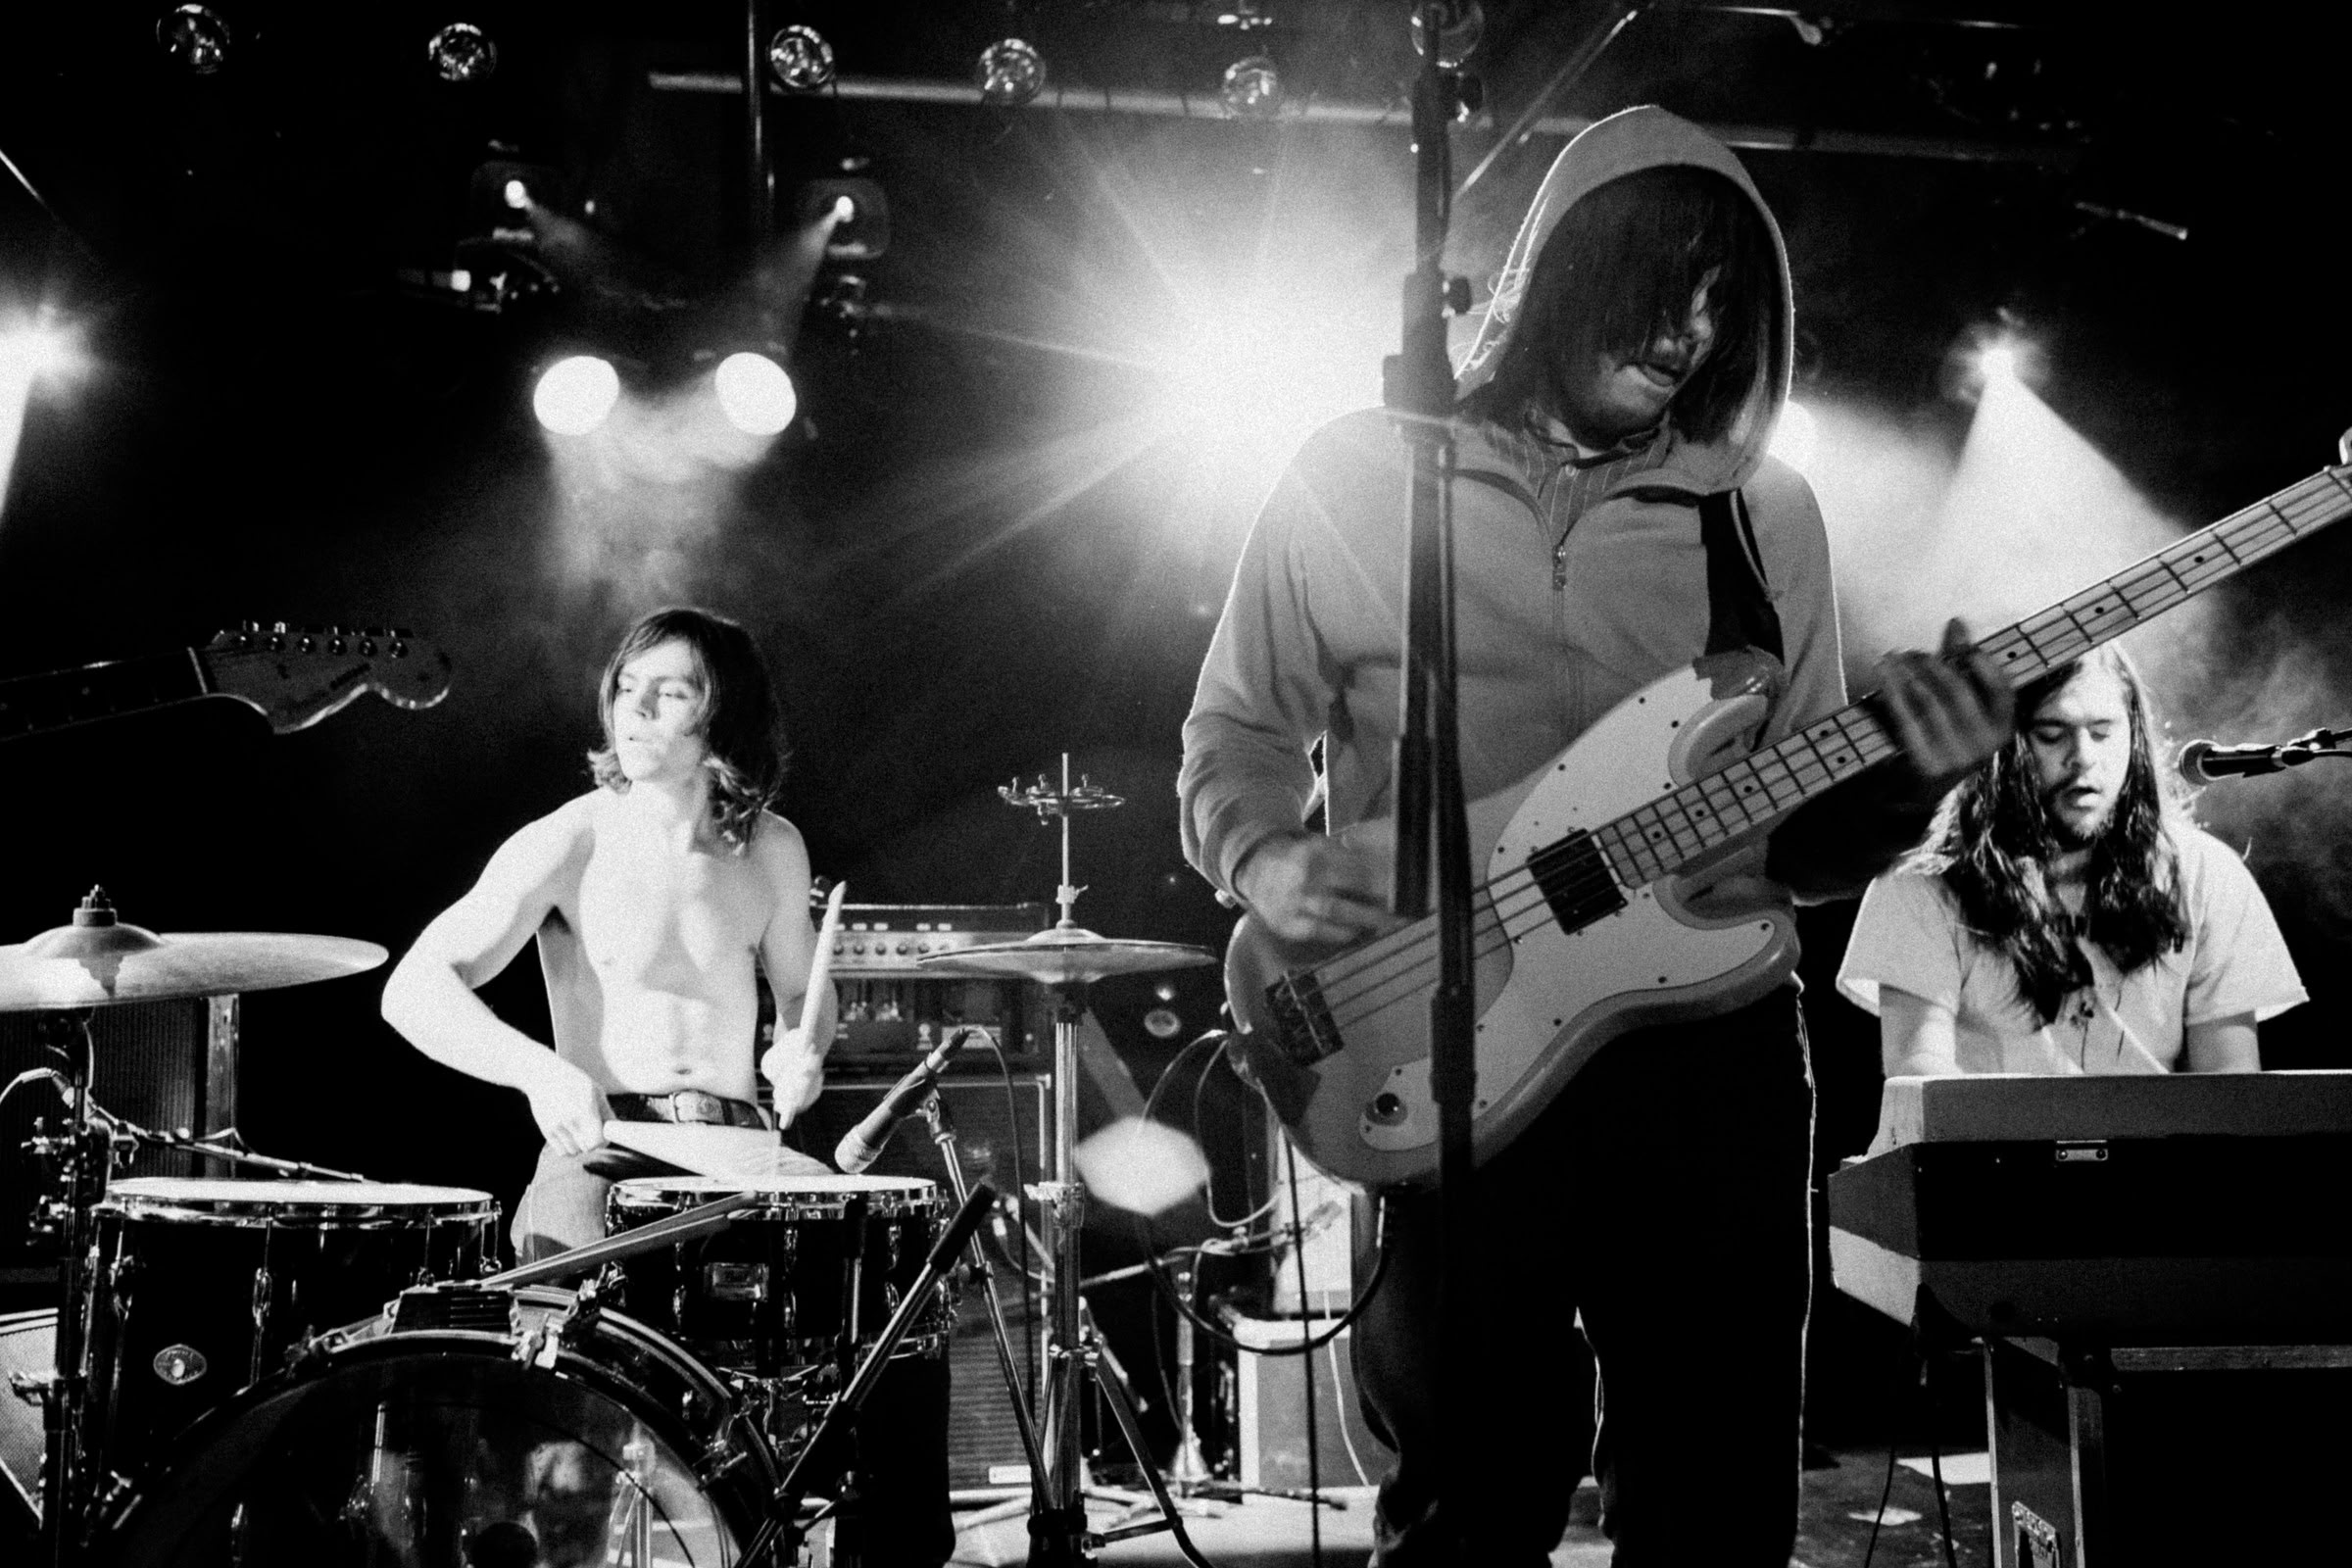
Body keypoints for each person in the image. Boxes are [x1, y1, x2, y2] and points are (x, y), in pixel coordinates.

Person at [1178, 106, 2014, 1567]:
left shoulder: (1766, 516)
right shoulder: (1357, 475)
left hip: (1713, 1061)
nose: (1689, 331)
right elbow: (1233, 735)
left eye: (1722, 299)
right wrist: (1266, 857)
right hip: (1445, 1031)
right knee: (1472, 1497)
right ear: (1562, 269)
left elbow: (1795, 840)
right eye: (1659, 281)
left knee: (1715, 1495)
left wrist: (1904, 788)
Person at [382, 605, 951, 1568]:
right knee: (559, 1331)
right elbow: (413, 988)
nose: (635, 708)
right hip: (607, 1149)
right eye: (626, 687)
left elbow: (805, 996)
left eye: (670, 689)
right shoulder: (570, 838)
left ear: (719, 714)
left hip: (745, 1150)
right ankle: (562, 1532)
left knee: (901, 1264)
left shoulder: (773, 847)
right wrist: (537, 1066)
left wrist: (799, 1053)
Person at [1838, 644, 2305, 1082]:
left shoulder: (2207, 874)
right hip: (1988, 1163)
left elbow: (2231, 1088)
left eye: (2102, 733)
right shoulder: (1925, 878)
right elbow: (1919, 1075)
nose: (2083, 758)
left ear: (2134, 738)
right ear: (2004, 746)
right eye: (2050, 735)